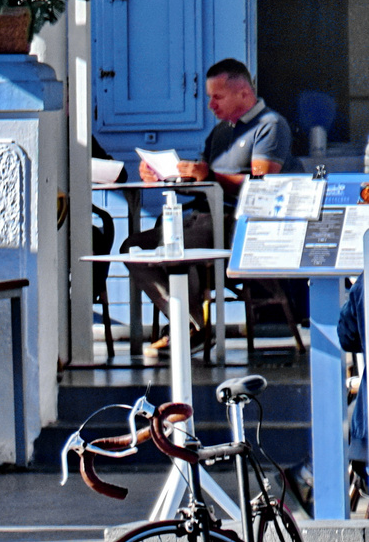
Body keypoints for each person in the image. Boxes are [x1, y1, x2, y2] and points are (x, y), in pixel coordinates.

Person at [130, 59, 304, 355]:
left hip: (243, 223)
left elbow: (262, 184)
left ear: (244, 94)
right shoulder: (221, 133)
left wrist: (209, 175)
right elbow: (204, 182)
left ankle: (191, 330)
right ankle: (192, 323)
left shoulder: (271, 126)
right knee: (133, 247)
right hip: (205, 216)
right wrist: (165, 175)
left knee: (180, 246)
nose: (210, 104)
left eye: (217, 97)